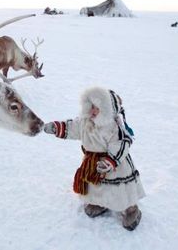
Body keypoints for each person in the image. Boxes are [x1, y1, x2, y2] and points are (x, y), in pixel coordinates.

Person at [43, 87, 145, 231]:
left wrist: (110, 161)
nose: (92, 111)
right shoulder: (84, 122)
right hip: (92, 163)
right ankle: (100, 203)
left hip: (115, 165)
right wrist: (57, 127)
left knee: (119, 190)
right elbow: (72, 127)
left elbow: (121, 145)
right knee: (97, 187)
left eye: (97, 108)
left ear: (107, 109)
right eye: (90, 106)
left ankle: (130, 209)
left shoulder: (113, 128)